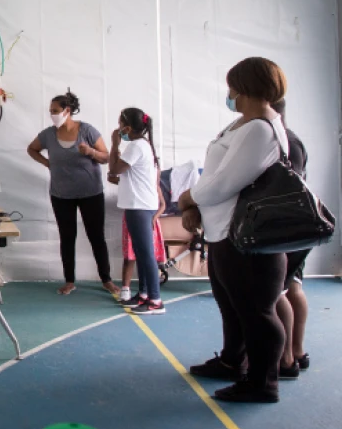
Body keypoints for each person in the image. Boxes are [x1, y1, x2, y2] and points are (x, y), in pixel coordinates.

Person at [180, 57, 289, 403]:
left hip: (245, 240)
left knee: (256, 312)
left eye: (233, 87)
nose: (230, 94)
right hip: (223, 233)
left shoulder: (260, 129)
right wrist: (197, 205)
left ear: (245, 87)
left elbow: (224, 183)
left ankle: (262, 382)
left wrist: (188, 198)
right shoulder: (243, 125)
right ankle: (232, 362)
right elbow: (215, 179)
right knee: (233, 307)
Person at [27, 90, 119, 295]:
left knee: (96, 237)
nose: (52, 114)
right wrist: (48, 163)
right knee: (67, 237)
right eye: (50, 111)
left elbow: (107, 158)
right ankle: (69, 281)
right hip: (61, 195)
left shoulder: (87, 131)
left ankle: (106, 279)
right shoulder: (48, 134)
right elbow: (31, 149)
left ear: (67, 111)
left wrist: (91, 152)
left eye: (55, 111)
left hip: (91, 193)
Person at [109, 108, 164, 314]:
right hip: (138, 204)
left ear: (128, 127)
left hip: (140, 206)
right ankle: (143, 295)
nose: (118, 129)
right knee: (141, 254)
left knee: (146, 254)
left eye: (119, 124)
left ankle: (156, 300)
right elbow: (119, 174)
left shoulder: (135, 146)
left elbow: (114, 169)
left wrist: (115, 144)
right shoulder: (143, 145)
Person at [270, 99, 311, 379]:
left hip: (288, 228)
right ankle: (296, 353)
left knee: (278, 291)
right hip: (293, 225)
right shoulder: (285, 139)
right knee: (291, 286)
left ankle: (287, 357)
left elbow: (289, 188)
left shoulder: (287, 143)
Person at [108, 170, 165, 303]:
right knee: (132, 256)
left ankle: (153, 297)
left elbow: (162, 205)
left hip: (148, 222)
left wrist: (154, 217)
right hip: (134, 220)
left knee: (147, 257)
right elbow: (112, 177)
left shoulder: (154, 187)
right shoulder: (132, 184)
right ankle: (134, 291)